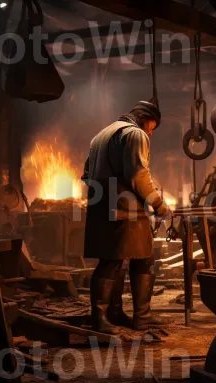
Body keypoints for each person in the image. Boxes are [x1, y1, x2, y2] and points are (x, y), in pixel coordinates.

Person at [82, 100, 172, 334]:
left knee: (131, 258)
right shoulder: (135, 134)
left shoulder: (102, 134)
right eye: (153, 126)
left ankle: (119, 314)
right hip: (126, 208)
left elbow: (86, 173)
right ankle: (104, 318)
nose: (152, 132)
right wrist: (159, 205)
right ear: (145, 119)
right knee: (114, 262)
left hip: (103, 205)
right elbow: (138, 174)